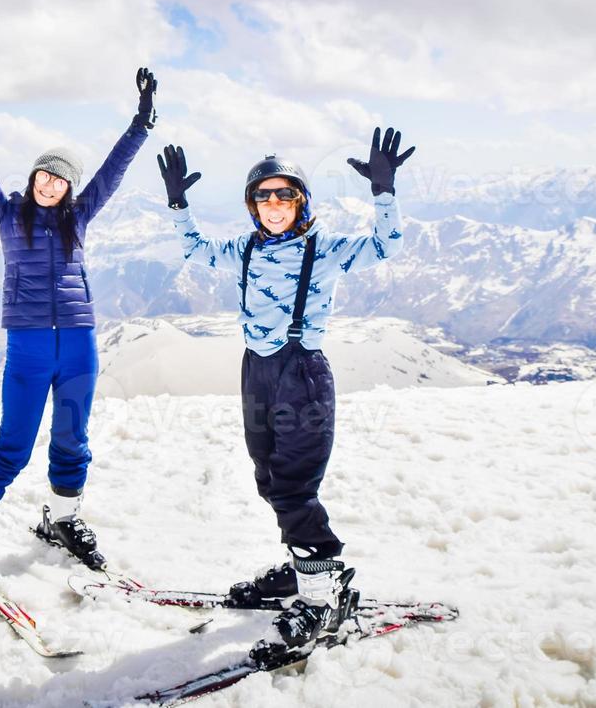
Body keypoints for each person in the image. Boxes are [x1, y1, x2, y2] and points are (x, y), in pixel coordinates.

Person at [156, 128, 414, 664]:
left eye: (284, 194)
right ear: (252, 206)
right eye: (262, 196)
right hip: (256, 371)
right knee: (269, 478)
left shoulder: (326, 251)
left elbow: (387, 246)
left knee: (296, 487)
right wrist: (179, 203)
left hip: (302, 375)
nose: (273, 205)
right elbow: (196, 251)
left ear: (301, 201)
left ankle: (323, 596)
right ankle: (302, 568)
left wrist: (383, 193)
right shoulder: (246, 250)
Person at [0, 62, 156, 585]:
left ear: (70, 188)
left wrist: (140, 125)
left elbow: (112, 172)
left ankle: (62, 520)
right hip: (27, 345)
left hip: (78, 341)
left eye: (60, 179)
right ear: (33, 179)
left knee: (73, 437)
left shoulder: (80, 218)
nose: (49, 184)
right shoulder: (7, 215)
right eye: (43, 175)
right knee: (16, 441)